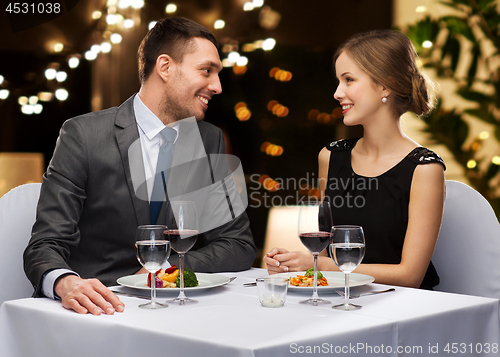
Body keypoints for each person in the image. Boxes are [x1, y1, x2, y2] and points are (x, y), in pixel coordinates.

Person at [24, 17, 257, 315]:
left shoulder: (208, 138)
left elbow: (237, 243)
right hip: (98, 311)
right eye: (206, 71)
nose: (217, 86)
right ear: (165, 67)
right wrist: (66, 283)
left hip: (180, 312)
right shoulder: (83, 135)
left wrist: (164, 270)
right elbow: (45, 245)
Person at [264, 29, 445, 290]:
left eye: (349, 80)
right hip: (341, 301)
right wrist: (295, 264)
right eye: (339, 81)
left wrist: (319, 265)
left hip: (404, 310)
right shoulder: (330, 157)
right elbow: (326, 253)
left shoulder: (425, 168)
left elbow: (410, 276)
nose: (337, 93)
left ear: (386, 84)